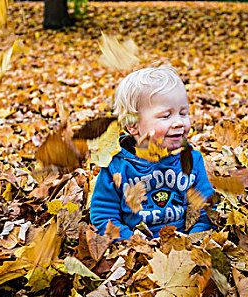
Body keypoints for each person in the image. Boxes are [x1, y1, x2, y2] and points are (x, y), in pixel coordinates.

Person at [90, 66, 216, 240]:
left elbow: (206, 211)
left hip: (184, 245)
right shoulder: (117, 166)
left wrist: (193, 240)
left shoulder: (192, 161)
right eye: (166, 116)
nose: (179, 122)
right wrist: (134, 243)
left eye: (183, 113)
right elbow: (103, 216)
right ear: (133, 125)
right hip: (135, 247)